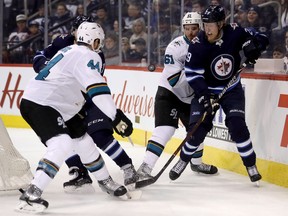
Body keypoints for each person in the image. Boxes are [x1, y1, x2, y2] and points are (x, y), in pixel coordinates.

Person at [16, 22, 132, 213]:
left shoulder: (71, 49)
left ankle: (105, 181)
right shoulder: (87, 55)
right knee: (61, 144)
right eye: (99, 41)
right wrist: (116, 116)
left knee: (84, 141)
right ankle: (32, 193)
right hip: (42, 103)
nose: (100, 45)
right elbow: (97, 90)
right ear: (93, 41)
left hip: (58, 104)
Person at [168, 5, 269, 183]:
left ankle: (251, 165)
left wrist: (255, 46)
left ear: (222, 23)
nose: (207, 29)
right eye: (205, 24)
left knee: (238, 126)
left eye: (211, 24)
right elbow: (193, 75)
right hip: (206, 90)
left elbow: (261, 36)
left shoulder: (235, 31)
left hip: (231, 89)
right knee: (196, 130)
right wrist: (204, 97)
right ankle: (183, 160)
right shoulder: (198, 44)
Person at [136, 12, 218, 187]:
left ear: (201, 28)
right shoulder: (175, 47)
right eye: (187, 29)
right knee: (165, 130)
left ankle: (196, 164)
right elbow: (174, 81)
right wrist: (200, 81)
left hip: (192, 96)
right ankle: (145, 168)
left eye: (194, 29)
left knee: (197, 130)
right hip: (170, 94)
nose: (190, 33)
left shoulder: (210, 46)